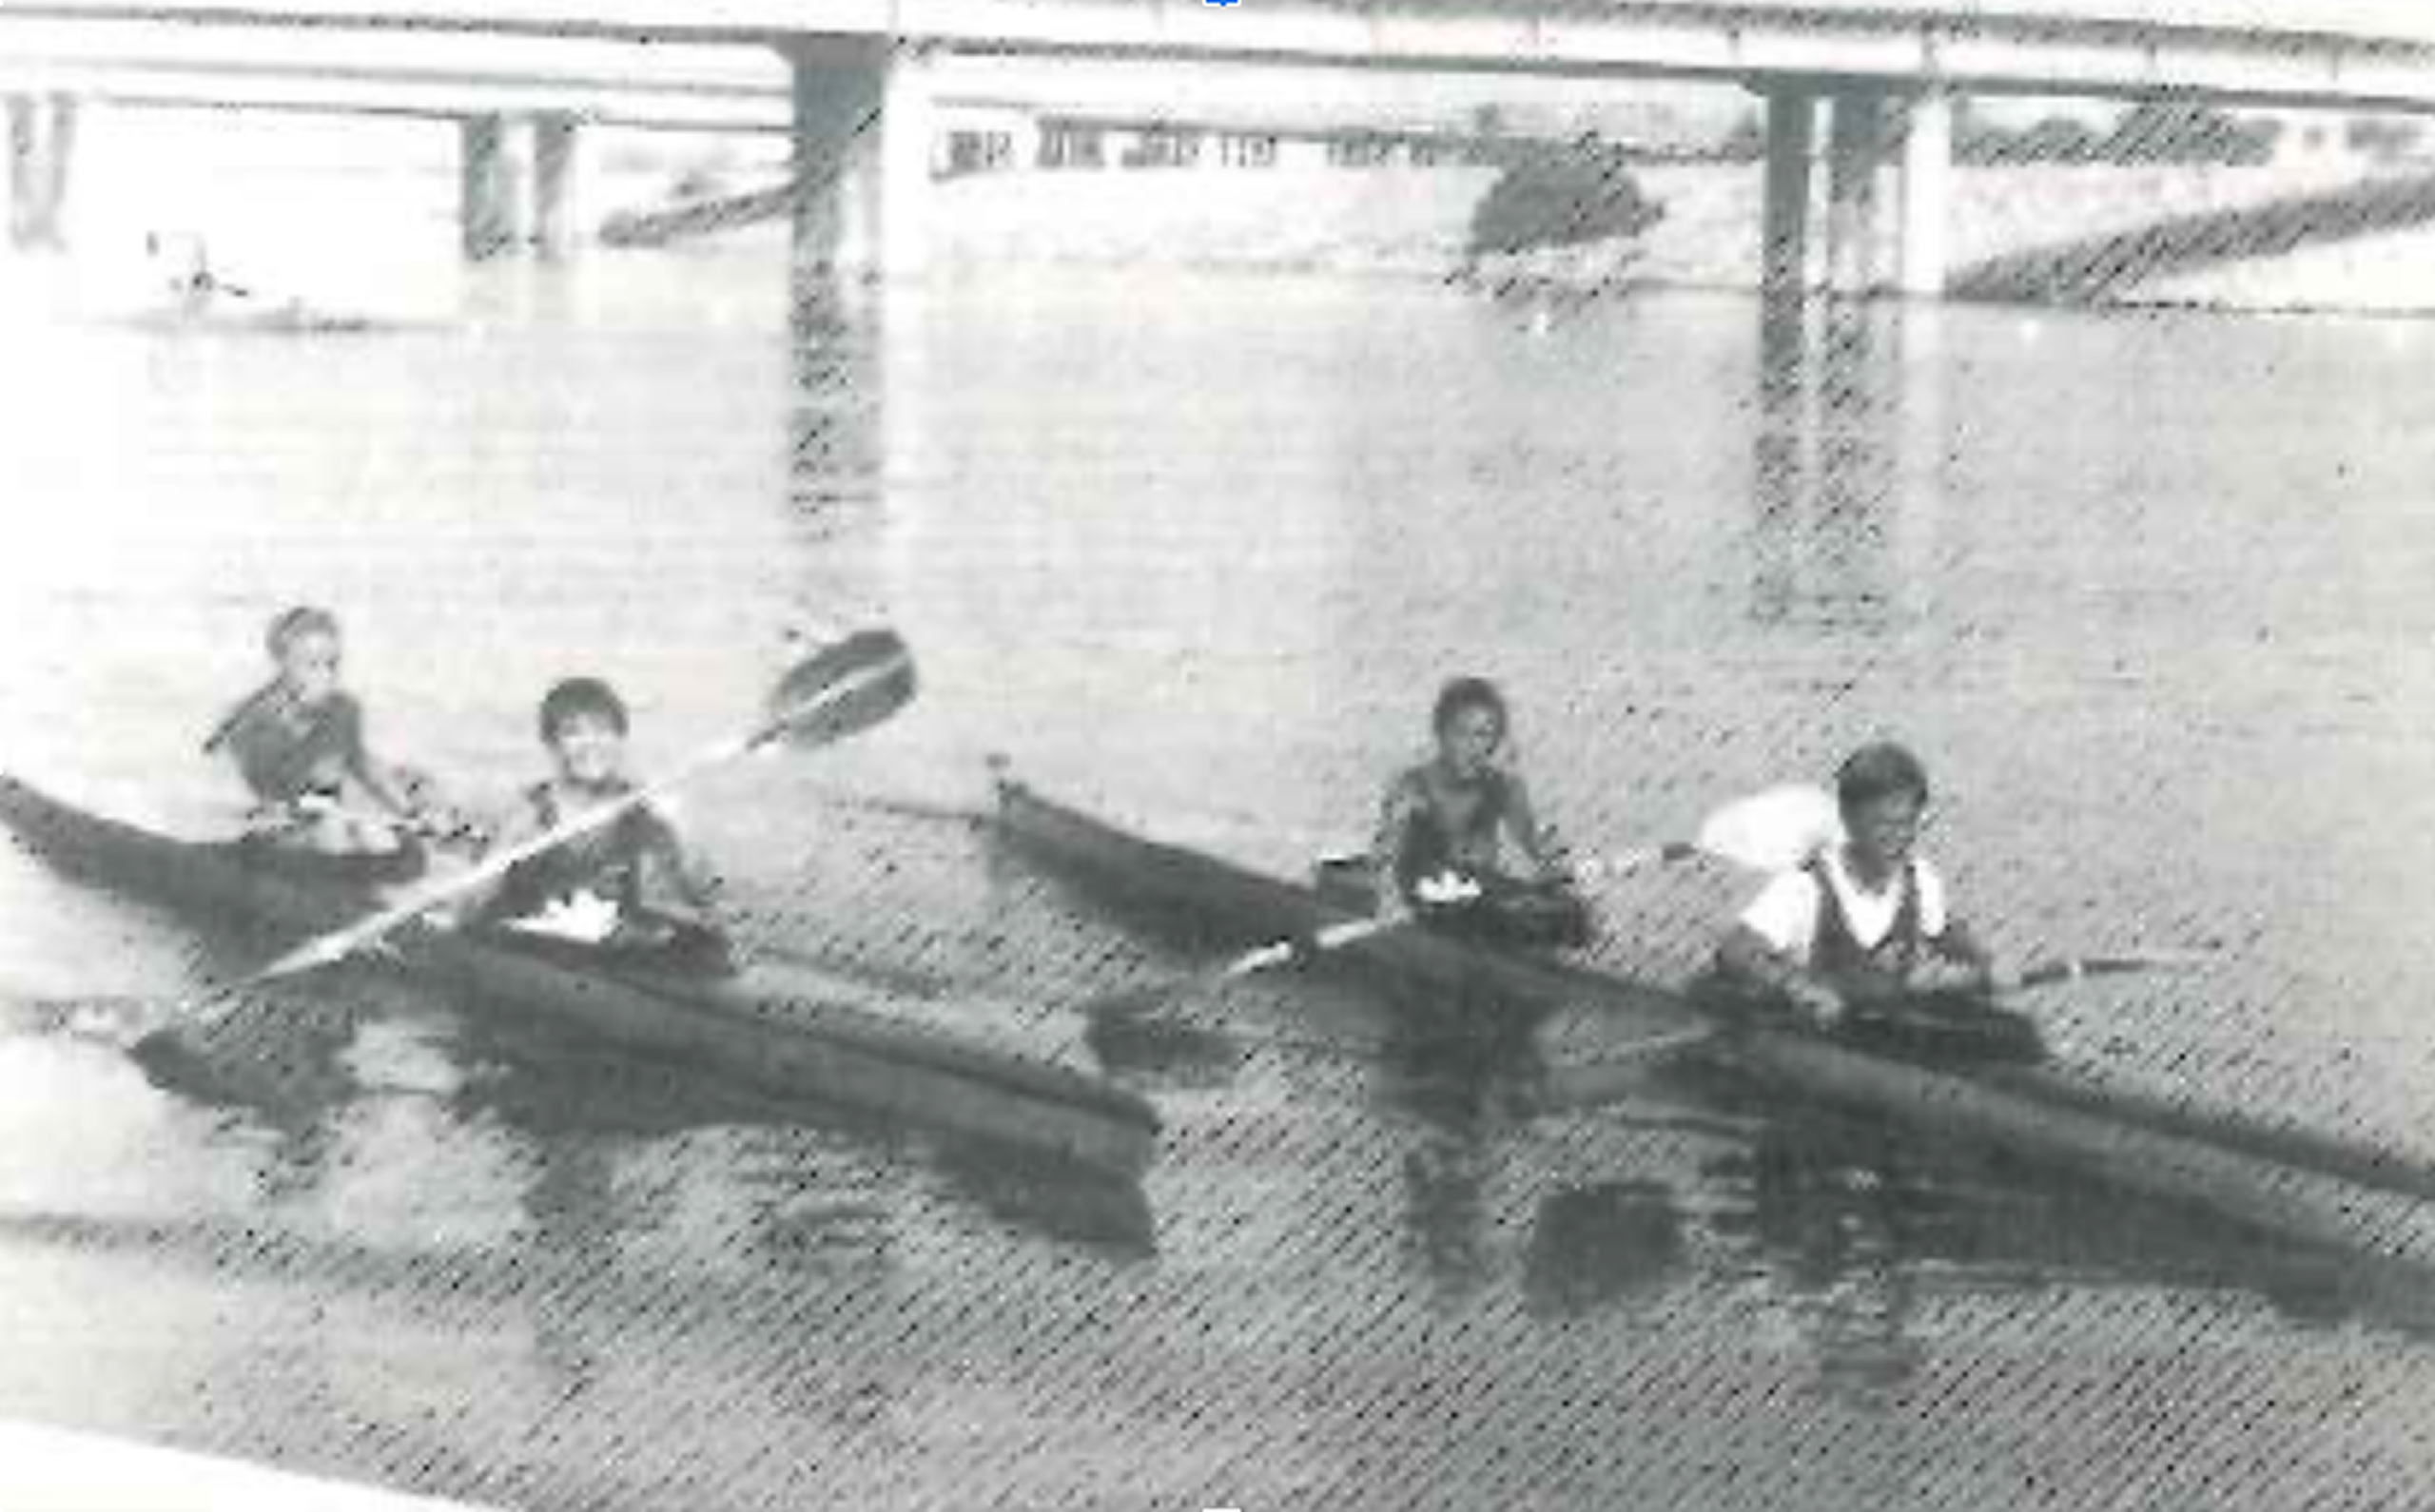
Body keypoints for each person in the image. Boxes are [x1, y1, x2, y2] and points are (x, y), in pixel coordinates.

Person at [1714, 741, 2013, 1029]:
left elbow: (1944, 932)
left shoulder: (1920, 879)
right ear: (1848, 819)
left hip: (1882, 1031)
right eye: (1882, 823)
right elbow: (1735, 950)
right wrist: (1796, 987)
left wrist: (1984, 961)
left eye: (1906, 823)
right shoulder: (1804, 887)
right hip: (1813, 1034)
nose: (1897, 838)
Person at [463, 677, 737, 977]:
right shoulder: (530, 813)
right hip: (537, 948)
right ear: (553, 746)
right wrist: (509, 850)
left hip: (615, 949)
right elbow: (469, 908)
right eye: (573, 733)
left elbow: (710, 903)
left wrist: (679, 825)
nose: (591, 744)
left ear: (620, 738)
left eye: (602, 731)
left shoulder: (643, 809)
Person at [1369, 676, 1591, 949]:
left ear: (1494, 740)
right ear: (1440, 734)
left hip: (1476, 893)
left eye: (1483, 735)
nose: (1472, 747)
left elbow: (1538, 845)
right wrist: (1390, 900)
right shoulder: (1411, 786)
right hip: (1423, 898)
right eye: (1460, 733)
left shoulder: (1505, 786)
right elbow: (1385, 852)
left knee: (1574, 917)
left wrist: (1559, 876)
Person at [205, 605, 435, 863]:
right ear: (282, 666)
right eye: (311, 665)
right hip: (280, 824)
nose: (325, 674)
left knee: (378, 837)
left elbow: (364, 768)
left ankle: (372, 884)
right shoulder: (258, 720)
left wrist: (409, 811)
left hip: (325, 813)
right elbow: (265, 784)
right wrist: (293, 722)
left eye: (332, 664)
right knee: (334, 832)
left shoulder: (344, 709)